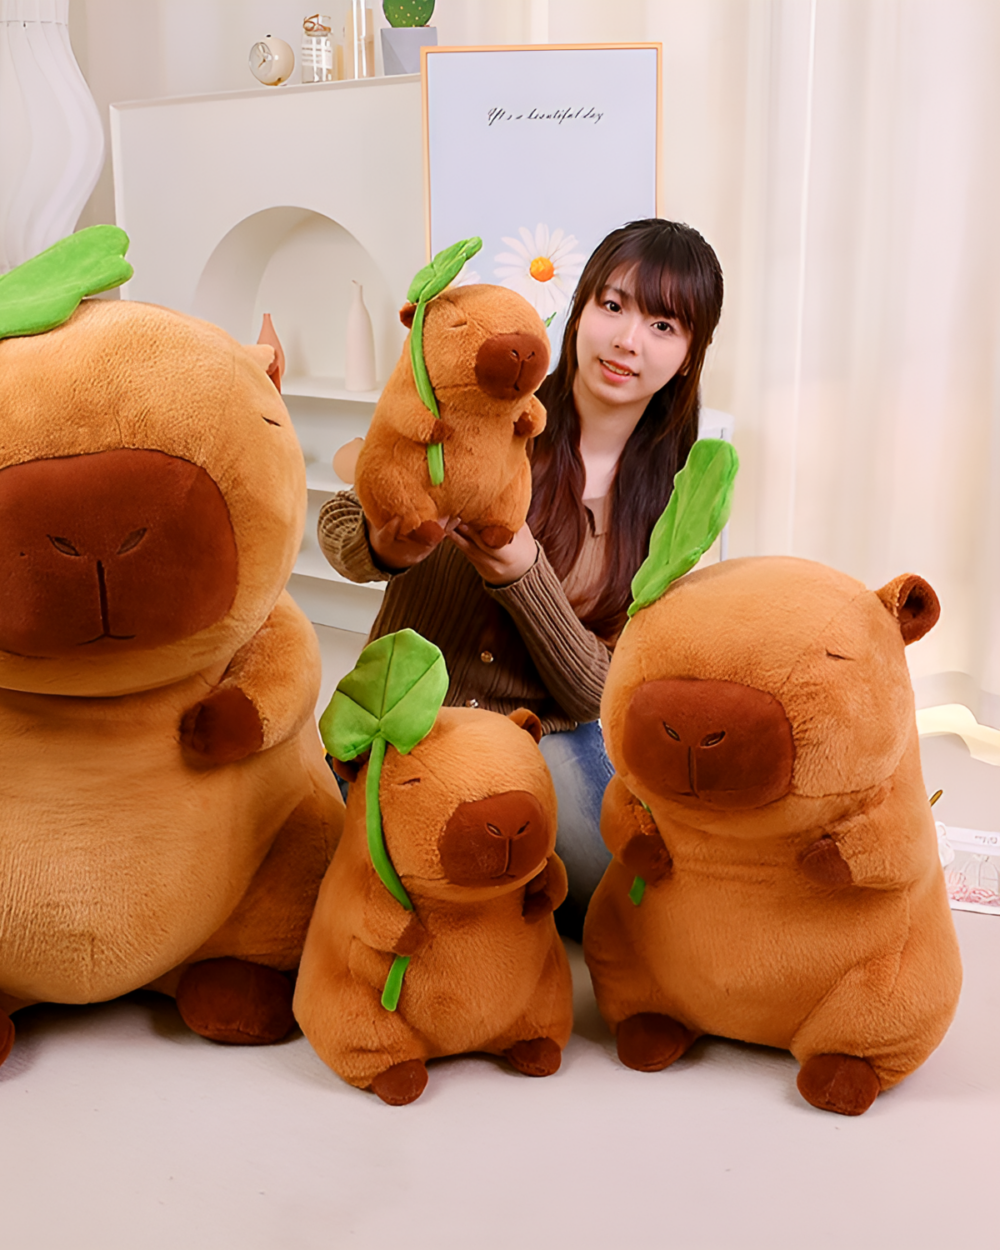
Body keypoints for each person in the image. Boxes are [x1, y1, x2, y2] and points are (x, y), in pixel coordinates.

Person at [318, 218, 724, 937]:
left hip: (551, 730)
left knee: (624, 894)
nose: (629, 340)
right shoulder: (486, 397)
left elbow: (605, 690)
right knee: (357, 869)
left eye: (664, 324)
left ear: (689, 356)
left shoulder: (679, 501)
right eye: (613, 306)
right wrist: (385, 545)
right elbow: (344, 527)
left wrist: (524, 575)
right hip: (408, 712)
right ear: (581, 310)